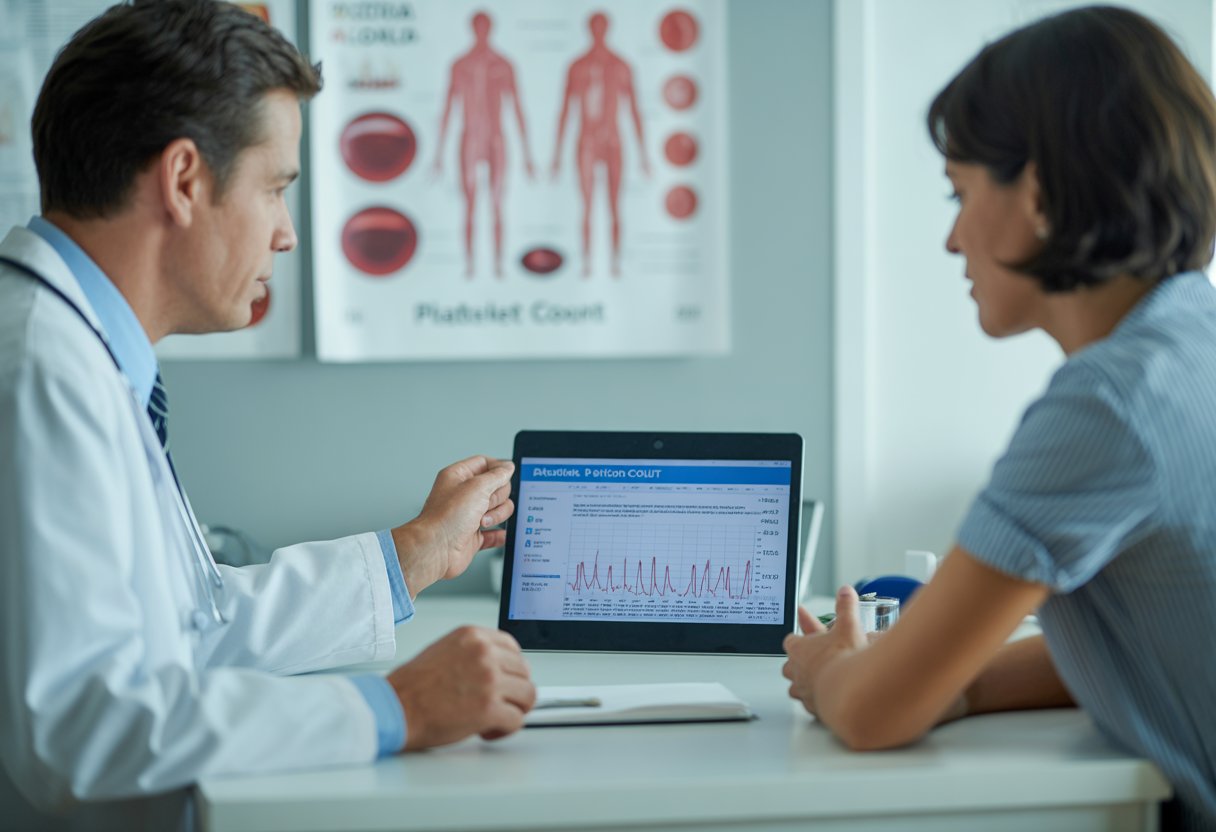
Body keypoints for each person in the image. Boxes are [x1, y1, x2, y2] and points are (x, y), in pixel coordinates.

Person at [0, 2, 535, 829]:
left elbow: (188, 629)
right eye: (276, 189)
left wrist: (411, 558)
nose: (286, 235)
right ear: (183, 180)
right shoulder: (41, 374)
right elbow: (84, 727)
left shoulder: (76, 350)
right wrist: (395, 711)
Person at [782, 7, 1216, 829]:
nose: (952, 239)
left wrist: (835, 668)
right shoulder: (1192, 342)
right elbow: (1165, 635)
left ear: (1041, 195)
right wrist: (959, 682)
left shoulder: (1106, 405)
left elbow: (875, 714)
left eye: (961, 193)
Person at [431, 10, 535, 278]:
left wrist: (527, 155)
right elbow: (447, 108)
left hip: (496, 138)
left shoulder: (503, 64)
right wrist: (438, 154)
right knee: (469, 204)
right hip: (470, 137)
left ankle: (498, 264)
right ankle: (470, 265)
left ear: (490, 29)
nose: (481, 32)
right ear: (472, 29)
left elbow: (518, 108)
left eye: (485, 27)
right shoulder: (460, 65)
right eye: (478, 27)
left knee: (497, 203)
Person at [551, 12, 650, 277]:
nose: (598, 32)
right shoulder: (577, 66)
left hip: (614, 139)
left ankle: (615, 263)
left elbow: (634, 110)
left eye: (602, 27)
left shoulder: (620, 66)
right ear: (589, 30)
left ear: (608, 29)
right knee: (587, 205)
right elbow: (565, 110)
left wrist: (643, 154)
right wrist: (557, 155)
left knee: (615, 204)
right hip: (586, 139)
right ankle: (587, 263)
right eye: (594, 27)